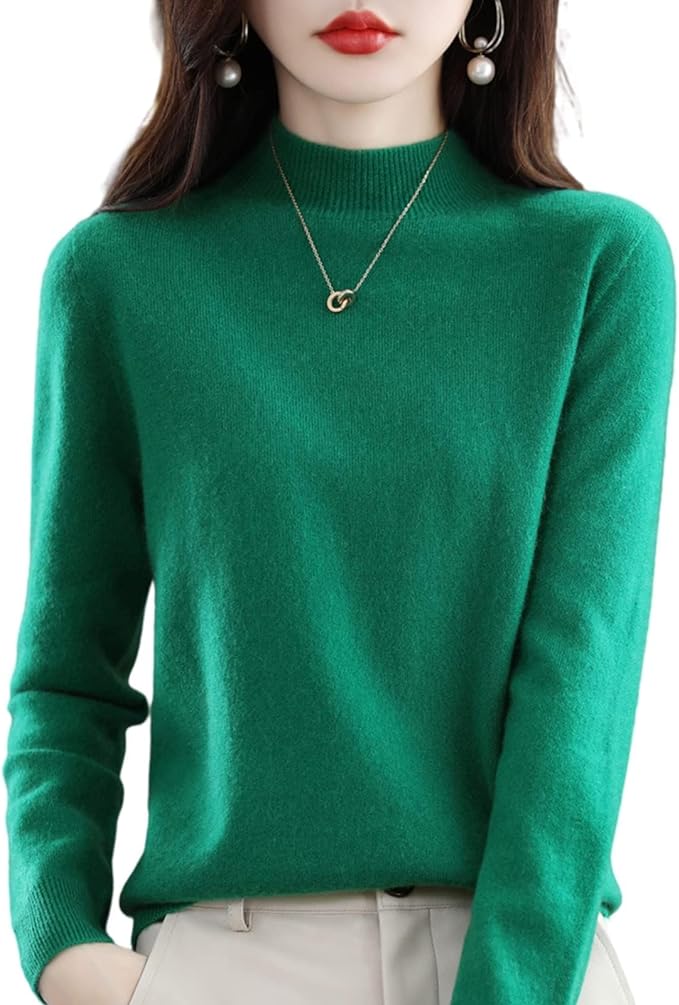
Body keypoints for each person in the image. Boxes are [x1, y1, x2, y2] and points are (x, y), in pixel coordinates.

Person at [3, 1, 674, 1003]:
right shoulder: (117, 276)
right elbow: (66, 672)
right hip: (220, 960)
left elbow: (582, 682)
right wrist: (62, 945)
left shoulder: (595, 264)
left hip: (518, 955)